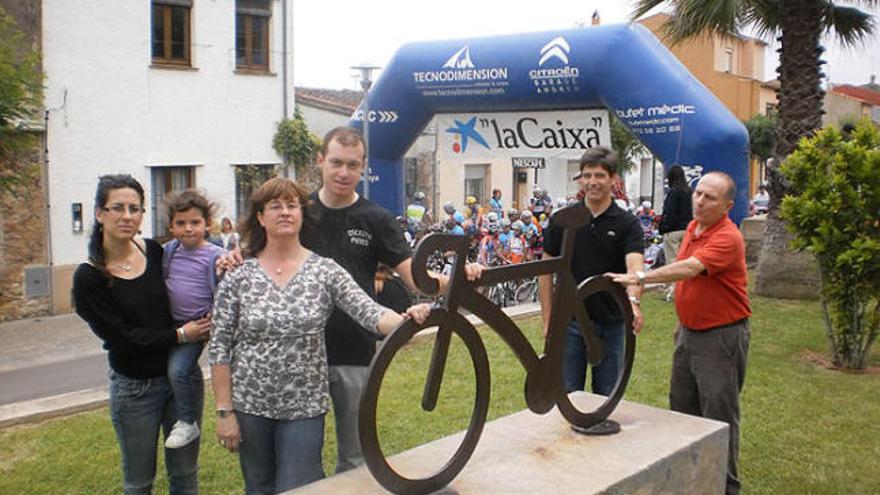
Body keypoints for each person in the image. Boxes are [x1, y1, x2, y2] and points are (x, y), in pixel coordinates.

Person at [209, 177, 432, 494]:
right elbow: (220, 349)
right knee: (258, 487)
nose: (285, 212)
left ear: (302, 213)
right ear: (260, 216)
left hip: (304, 407)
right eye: (275, 206)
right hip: (250, 405)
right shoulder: (239, 275)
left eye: (292, 205)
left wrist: (405, 321)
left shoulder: (325, 271)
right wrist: (224, 411)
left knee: (299, 487)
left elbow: (370, 312)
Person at [295, 127, 482, 473]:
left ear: (364, 167)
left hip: (355, 350)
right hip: (299, 354)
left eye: (353, 165)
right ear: (320, 161)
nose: (343, 173)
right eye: (336, 162)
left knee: (354, 459)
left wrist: (459, 275)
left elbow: (417, 279)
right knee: (302, 464)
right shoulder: (298, 212)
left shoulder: (376, 219)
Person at [607, 171, 750, 495]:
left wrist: (639, 277)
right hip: (689, 334)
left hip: (720, 338)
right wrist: (682, 322)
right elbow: (683, 277)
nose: (699, 201)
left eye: (709, 197)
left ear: (727, 205)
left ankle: (726, 487)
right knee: (682, 411)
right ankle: (690, 481)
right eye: (698, 193)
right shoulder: (692, 228)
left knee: (718, 416)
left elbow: (689, 268)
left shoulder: (728, 237)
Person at [73, 174, 212, 494]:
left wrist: (226, 260)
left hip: (181, 382)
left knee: (185, 475)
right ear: (99, 213)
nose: (127, 216)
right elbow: (123, 337)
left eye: (135, 208)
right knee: (139, 482)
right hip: (136, 390)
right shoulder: (90, 277)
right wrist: (180, 336)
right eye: (117, 207)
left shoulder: (154, 251)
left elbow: (196, 264)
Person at [539, 146, 644, 417]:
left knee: (605, 399)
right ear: (581, 179)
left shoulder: (627, 223)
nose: (593, 182)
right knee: (566, 397)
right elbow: (545, 270)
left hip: (612, 322)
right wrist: (548, 318)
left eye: (599, 175)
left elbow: (635, 267)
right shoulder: (562, 220)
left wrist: (634, 301)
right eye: (587, 175)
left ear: (613, 179)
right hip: (570, 322)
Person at [161, 190, 226, 449]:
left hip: (197, 325)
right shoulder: (169, 251)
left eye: (195, 222)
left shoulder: (214, 255)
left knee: (177, 370)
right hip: (171, 324)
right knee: (177, 371)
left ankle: (188, 421)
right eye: (181, 223)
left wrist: (215, 314)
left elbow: (224, 287)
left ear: (207, 224)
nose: (188, 229)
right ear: (171, 226)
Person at [658, 165, 692, 301]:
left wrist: (663, 227)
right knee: (686, 261)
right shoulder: (690, 191)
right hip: (689, 230)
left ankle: (673, 291)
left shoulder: (673, 192)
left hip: (673, 231)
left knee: (673, 262)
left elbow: (670, 212)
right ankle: (687, 289)